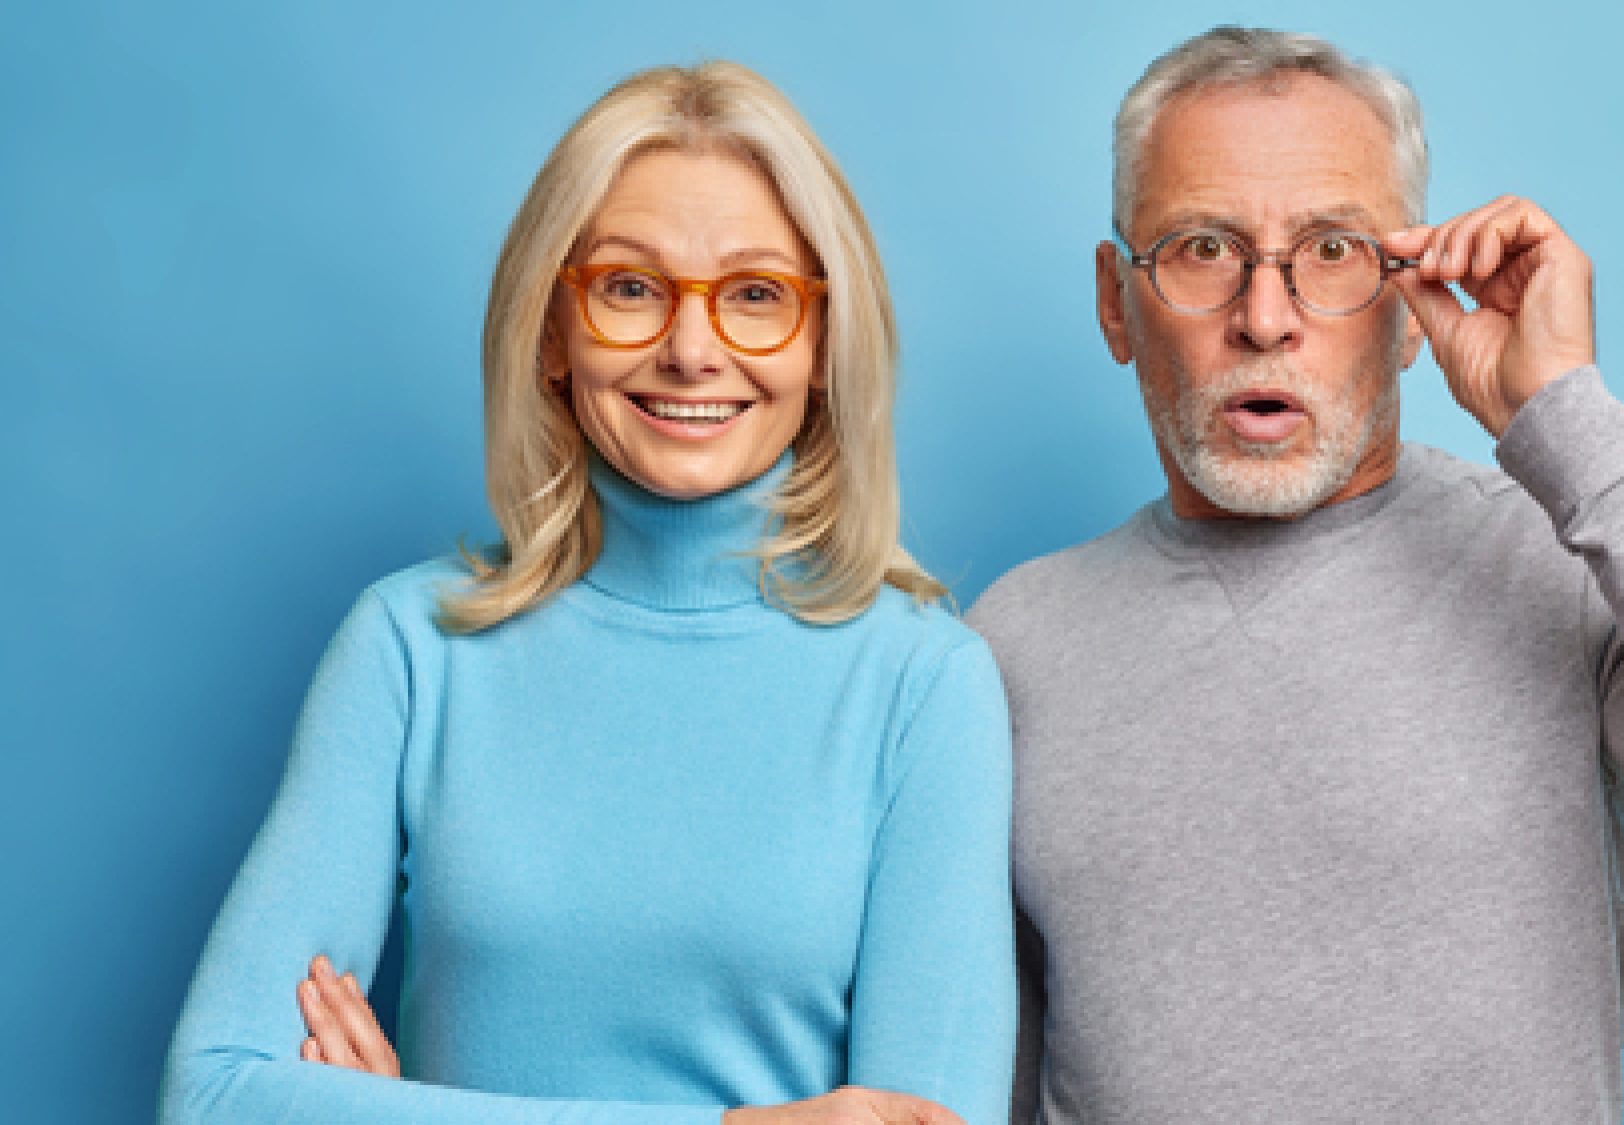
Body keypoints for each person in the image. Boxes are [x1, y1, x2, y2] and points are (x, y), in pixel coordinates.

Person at [967, 26, 1624, 1124]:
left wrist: (1567, 423)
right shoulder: (1013, 645)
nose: (1263, 317)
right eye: (1201, 247)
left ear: (1406, 302)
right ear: (1116, 301)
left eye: (1332, 250)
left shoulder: (1563, 562)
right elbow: (984, 1070)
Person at [160, 61, 1012, 1125]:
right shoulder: (410, 649)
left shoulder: (924, 685)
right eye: (627, 288)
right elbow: (215, 1094)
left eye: (755, 294)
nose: (691, 350)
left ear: (822, 343)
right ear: (551, 331)